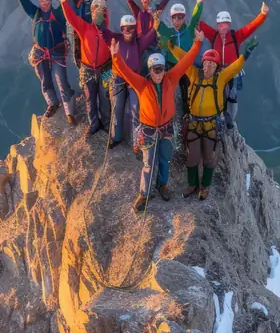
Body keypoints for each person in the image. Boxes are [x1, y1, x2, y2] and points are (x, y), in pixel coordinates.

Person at [110, 30, 203, 213]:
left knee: (164, 159)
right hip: (150, 129)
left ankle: (162, 185)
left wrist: (197, 44)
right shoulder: (142, 84)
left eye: (160, 69)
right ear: (150, 70)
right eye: (155, 70)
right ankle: (144, 193)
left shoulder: (171, 78)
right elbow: (125, 72)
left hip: (165, 128)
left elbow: (185, 63)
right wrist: (115, 56)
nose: (158, 74)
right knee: (148, 163)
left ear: (164, 69)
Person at [172, 43, 245, 200]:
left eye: (212, 64)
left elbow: (235, 67)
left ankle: (205, 187)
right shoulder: (193, 73)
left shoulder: (221, 78)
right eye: (206, 62)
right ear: (203, 63)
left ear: (217, 67)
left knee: (209, 157)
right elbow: (183, 57)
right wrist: (170, 45)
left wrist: (246, 55)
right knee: (193, 156)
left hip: (211, 124)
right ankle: (193, 184)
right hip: (194, 123)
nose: (209, 66)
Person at [11, 0, 75, 121]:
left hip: (56, 51)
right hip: (41, 53)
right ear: (39, 1)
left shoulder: (58, 14)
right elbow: (24, 2)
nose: (44, 2)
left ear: (51, 1)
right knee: (45, 80)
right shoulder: (35, 13)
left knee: (61, 80)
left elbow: (67, 7)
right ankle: (53, 103)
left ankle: (69, 110)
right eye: (42, 0)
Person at [198, 2, 270, 127]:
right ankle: (219, 117)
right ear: (218, 25)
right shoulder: (213, 35)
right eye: (221, 25)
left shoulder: (236, 36)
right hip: (218, 72)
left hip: (233, 72)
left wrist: (262, 14)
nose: (224, 27)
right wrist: (197, 7)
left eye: (226, 24)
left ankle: (229, 120)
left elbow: (251, 27)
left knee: (232, 97)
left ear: (229, 24)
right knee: (218, 95)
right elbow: (199, 24)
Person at [97, 12, 160, 149]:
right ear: (121, 29)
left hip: (133, 80)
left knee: (135, 109)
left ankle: (136, 141)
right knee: (117, 108)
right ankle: (116, 136)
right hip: (119, 78)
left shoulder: (138, 42)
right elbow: (103, 32)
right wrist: (101, 15)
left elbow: (151, 35)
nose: (128, 31)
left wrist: (155, 24)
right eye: (125, 28)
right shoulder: (115, 39)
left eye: (131, 28)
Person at [57, 0, 112, 135]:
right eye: (95, 10)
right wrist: (64, 3)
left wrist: (101, 0)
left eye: (99, 10)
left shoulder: (105, 27)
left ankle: (106, 123)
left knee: (104, 98)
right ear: (92, 13)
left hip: (104, 69)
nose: (97, 13)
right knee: (90, 99)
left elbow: (105, 13)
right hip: (88, 69)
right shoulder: (85, 28)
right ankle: (94, 124)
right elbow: (72, 19)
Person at [157, 0, 209, 112]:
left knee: (186, 90)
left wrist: (198, 5)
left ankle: (187, 114)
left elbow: (195, 19)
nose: (177, 20)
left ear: (184, 18)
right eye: (174, 17)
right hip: (172, 66)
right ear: (171, 18)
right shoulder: (168, 32)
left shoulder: (189, 31)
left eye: (180, 17)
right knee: (172, 93)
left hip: (186, 66)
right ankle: (171, 115)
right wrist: (155, 16)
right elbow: (158, 25)